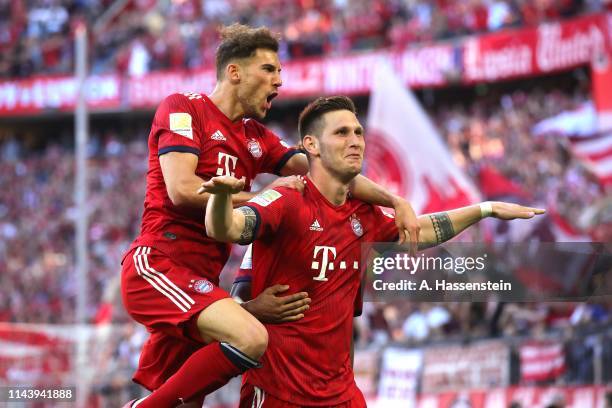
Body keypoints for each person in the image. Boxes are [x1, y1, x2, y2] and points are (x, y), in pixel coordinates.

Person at [120, 25, 420, 407]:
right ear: (235, 73)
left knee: (188, 400)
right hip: (160, 264)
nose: (279, 80)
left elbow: (323, 170)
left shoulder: (255, 136)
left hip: (202, 281)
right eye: (269, 70)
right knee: (251, 338)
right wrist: (262, 196)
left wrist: (395, 201)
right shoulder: (184, 107)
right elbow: (181, 189)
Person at [201, 95, 546, 407]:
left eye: (358, 132)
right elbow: (226, 227)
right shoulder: (287, 199)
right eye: (341, 133)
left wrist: (482, 209)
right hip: (279, 392)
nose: (355, 141)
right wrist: (218, 198)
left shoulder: (363, 214)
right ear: (312, 145)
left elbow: (421, 230)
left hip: (342, 395)